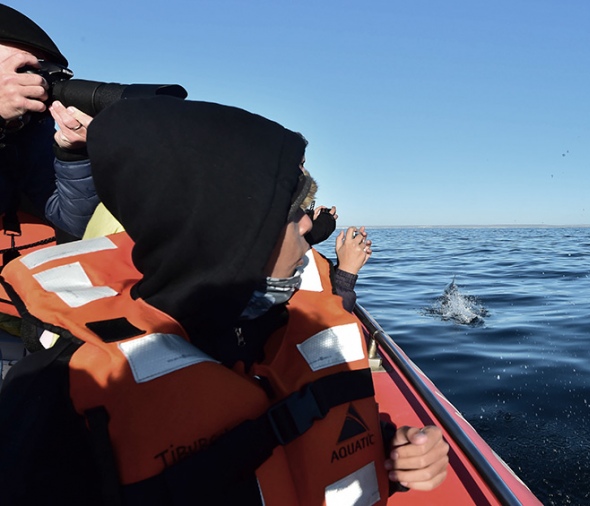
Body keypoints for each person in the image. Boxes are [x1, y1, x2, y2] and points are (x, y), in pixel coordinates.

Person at [0, 96, 448, 505]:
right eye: (293, 219)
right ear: (232, 233)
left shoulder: (271, 330)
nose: (307, 233)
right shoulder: (54, 397)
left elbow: (305, 443)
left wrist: (390, 450)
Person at [0, 3, 99, 239]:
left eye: (36, 71)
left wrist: (73, 155)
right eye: (17, 69)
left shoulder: (33, 133)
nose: (27, 85)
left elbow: (75, 228)